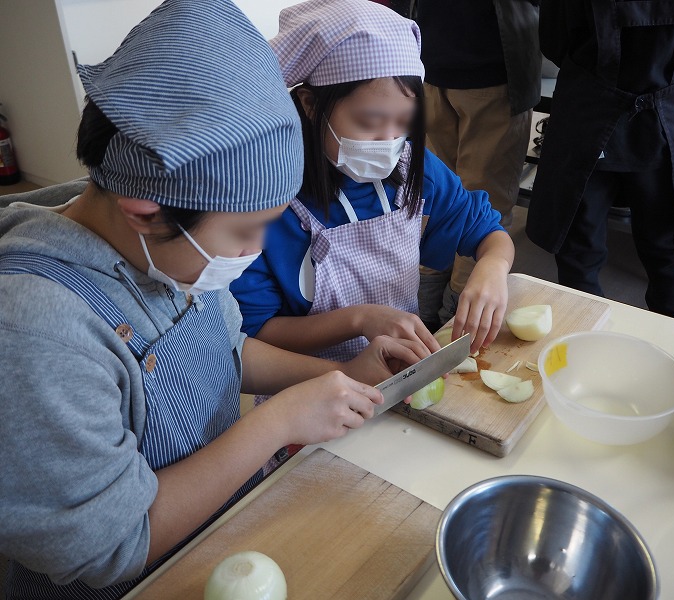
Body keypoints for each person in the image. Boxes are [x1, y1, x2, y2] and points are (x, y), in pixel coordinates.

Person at [0, 1, 427, 598]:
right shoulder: (37, 336)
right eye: (245, 234)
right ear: (145, 213)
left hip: (219, 536)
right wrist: (275, 422)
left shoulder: (165, 251)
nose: (253, 255)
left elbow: (226, 348)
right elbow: (113, 547)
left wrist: (340, 379)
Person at [231, 0, 515, 364]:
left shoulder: (415, 170)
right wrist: (359, 320)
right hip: (308, 389)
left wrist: (492, 268)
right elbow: (258, 330)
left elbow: (488, 232)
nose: (388, 142)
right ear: (310, 104)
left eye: (403, 123)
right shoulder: (268, 206)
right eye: (369, 123)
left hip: (398, 378)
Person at [526, 0, 674, 319]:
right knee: (669, 246)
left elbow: (555, 42)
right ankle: (671, 348)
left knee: (579, 245)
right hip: (672, 115)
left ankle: (583, 345)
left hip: (591, 108)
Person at [412, 0, 542, 329]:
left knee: (436, 199)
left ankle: (447, 318)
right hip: (461, 63)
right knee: (445, 198)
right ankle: (449, 322)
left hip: (442, 58)